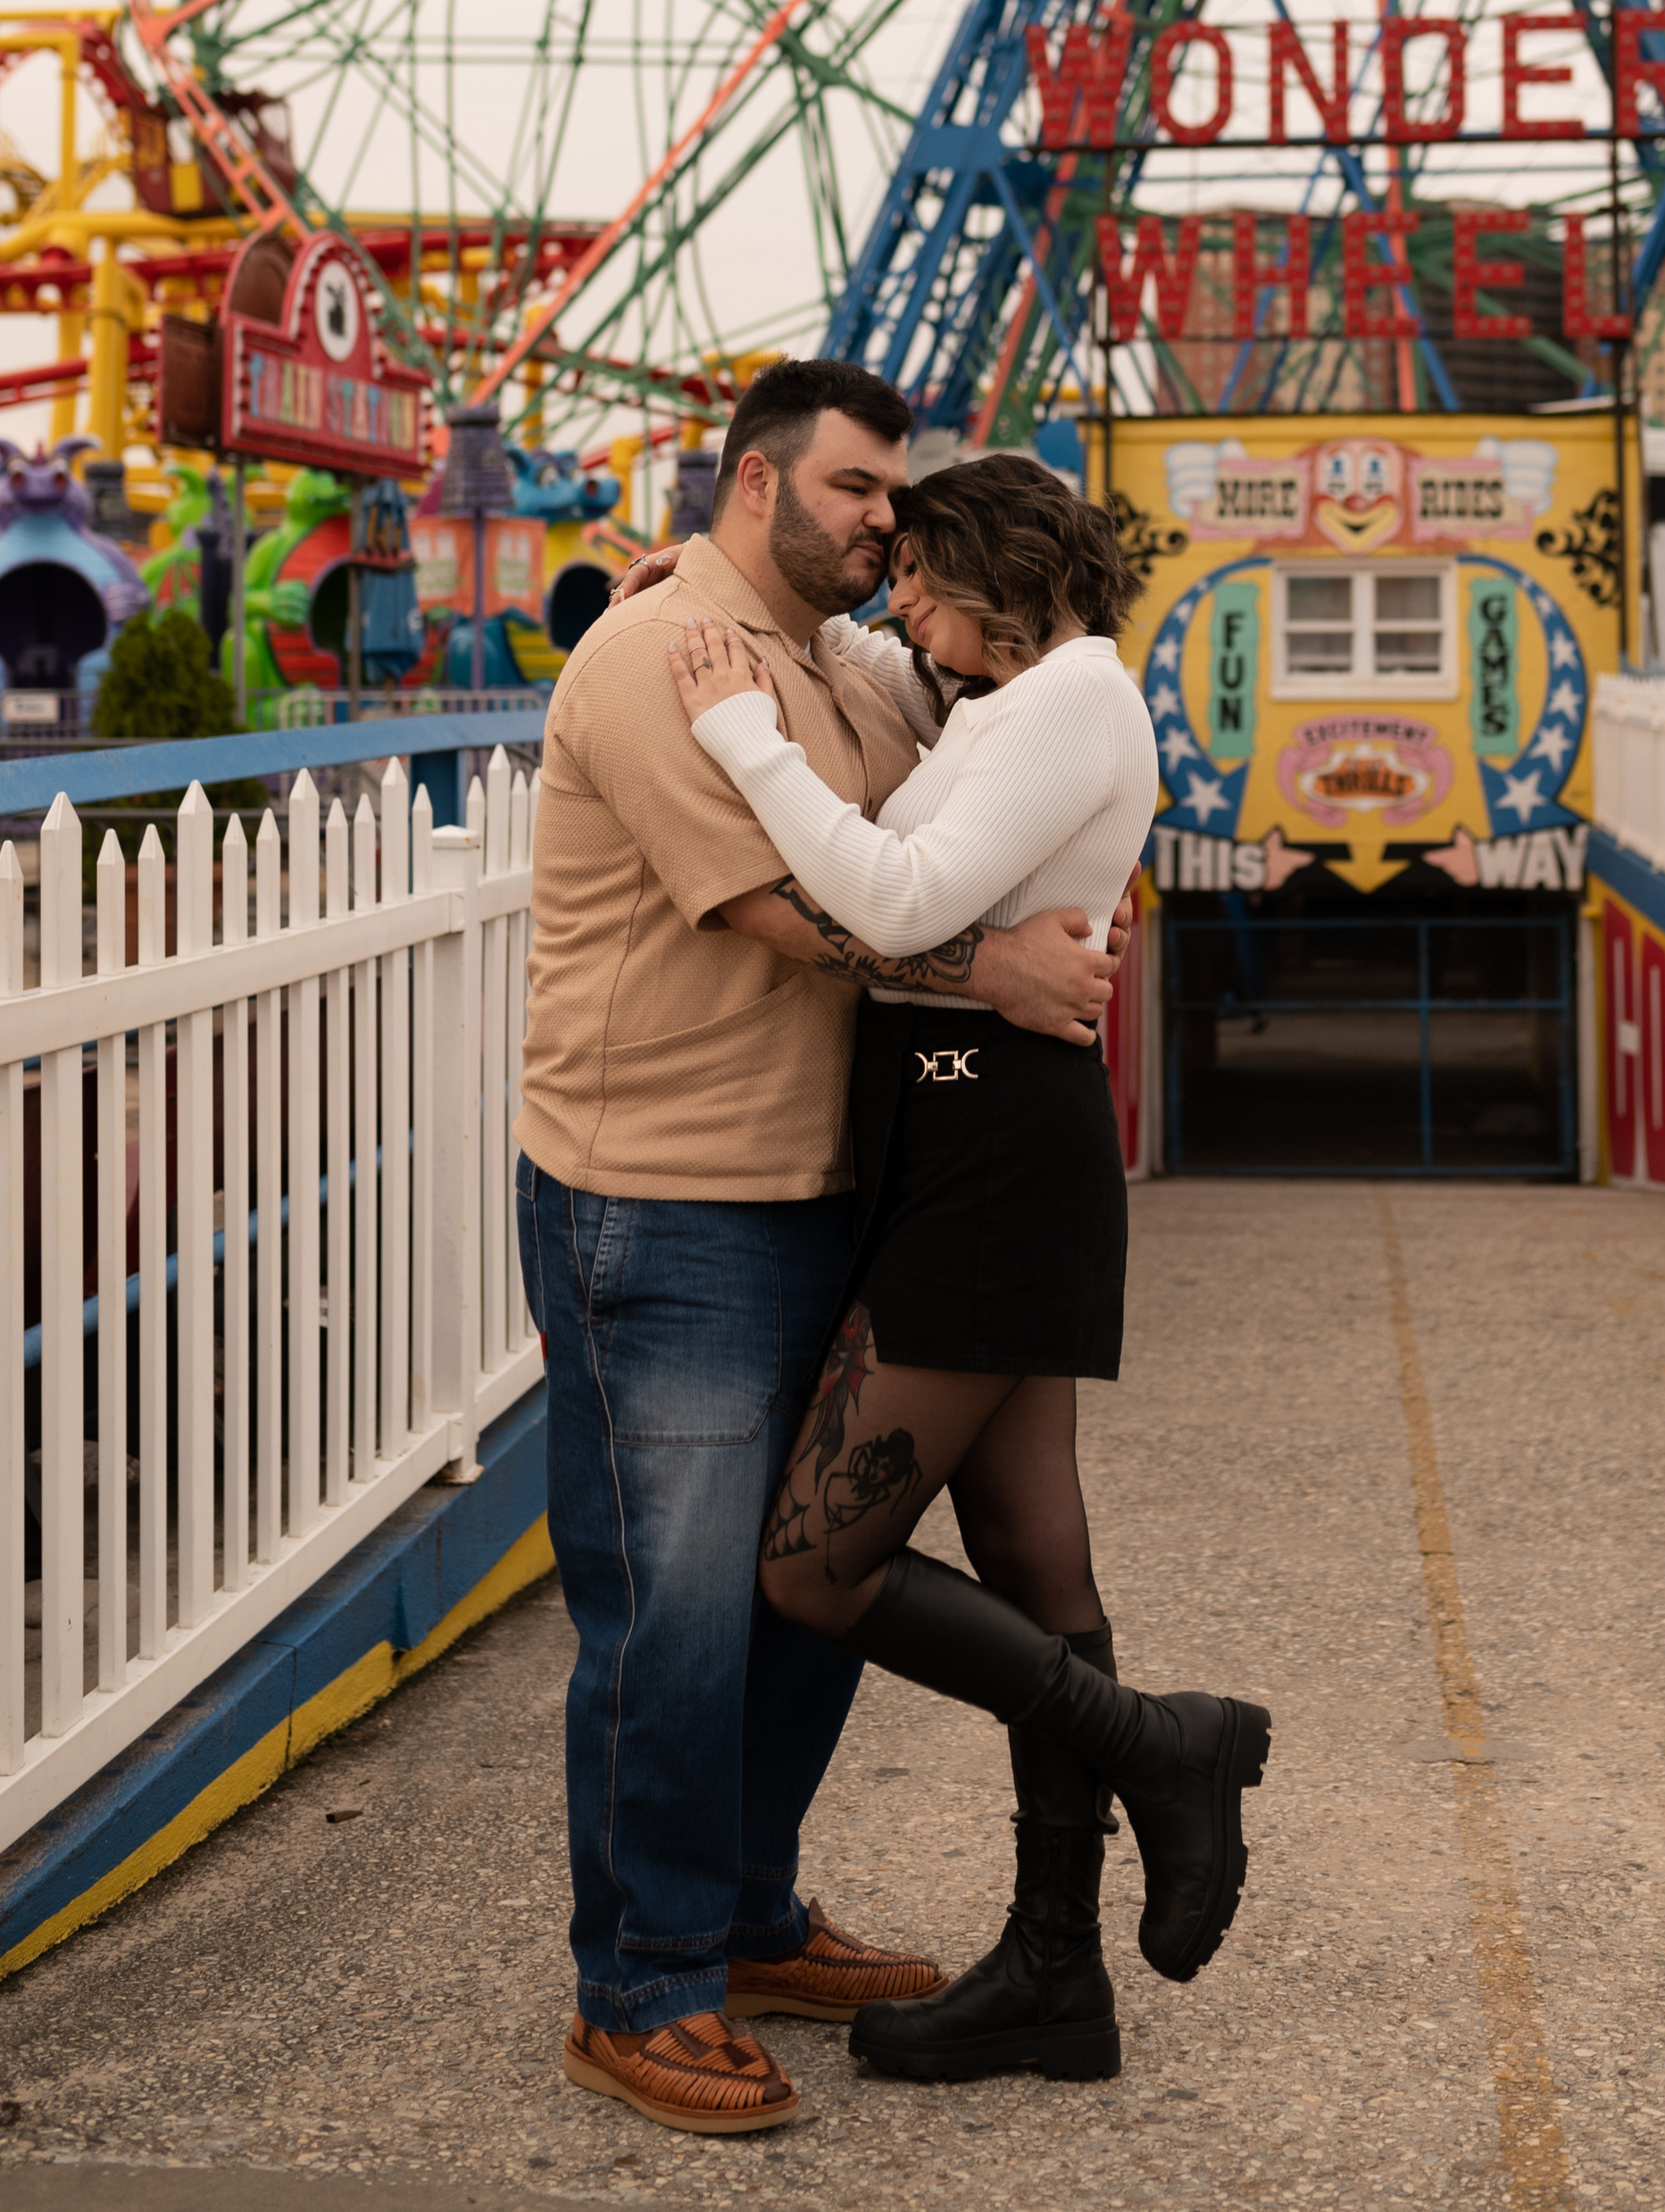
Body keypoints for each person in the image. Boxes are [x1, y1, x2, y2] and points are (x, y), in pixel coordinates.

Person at [518, 362, 1128, 2140]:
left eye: (896, 500)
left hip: (813, 1188)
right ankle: (639, 1986)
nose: (882, 522)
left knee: (805, 1595)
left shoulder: (808, 662)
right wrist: (993, 972)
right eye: (857, 490)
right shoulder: (659, 661)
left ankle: (749, 1915)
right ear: (755, 479)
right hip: (667, 1190)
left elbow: (918, 797)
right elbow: (801, 917)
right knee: (675, 1618)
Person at [667, 453, 1270, 2091]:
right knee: (1030, 1565)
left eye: (923, 575)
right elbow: (904, 707)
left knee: (815, 1564)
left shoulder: (1075, 700)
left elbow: (894, 892)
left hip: (991, 1155)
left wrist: (737, 734)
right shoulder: (1009, 700)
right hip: (966, 1133)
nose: (899, 605)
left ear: (1005, 571)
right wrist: (746, 599)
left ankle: (1166, 1746)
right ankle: (1056, 1974)